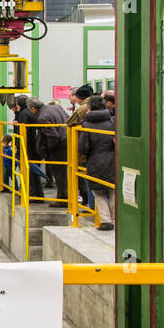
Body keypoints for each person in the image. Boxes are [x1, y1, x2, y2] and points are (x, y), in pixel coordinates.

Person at [78, 95, 116, 231]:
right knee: (112, 190)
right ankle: (115, 219)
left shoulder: (86, 124)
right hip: (112, 160)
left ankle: (105, 220)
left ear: (89, 108)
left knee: (98, 192)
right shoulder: (112, 121)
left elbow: (83, 147)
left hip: (95, 161)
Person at [35, 99, 69, 207]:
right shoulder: (57, 108)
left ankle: (63, 199)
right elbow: (69, 119)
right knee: (64, 174)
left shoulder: (42, 117)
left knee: (59, 175)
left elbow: (53, 136)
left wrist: (49, 150)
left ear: (33, 108)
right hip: (67, 143)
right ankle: (69, 197)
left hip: (58, 148)